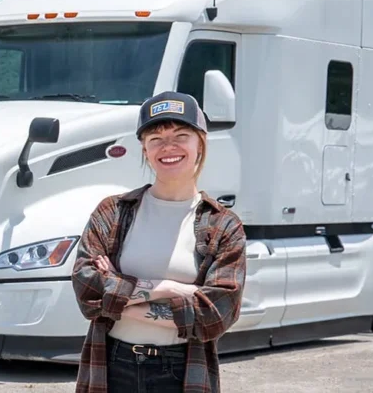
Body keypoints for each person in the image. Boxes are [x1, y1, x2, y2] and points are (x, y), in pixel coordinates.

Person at [71, 91, 247, 393]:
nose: (169, 147)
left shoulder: (223, 225)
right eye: (156, 139)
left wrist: (116, 295)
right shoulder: (112, 212)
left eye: (181, 135)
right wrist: (168, 289)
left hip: (182, 370)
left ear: (200, 143)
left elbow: (215, 314)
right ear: (144, 150)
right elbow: (87, 288)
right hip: (112, 365)